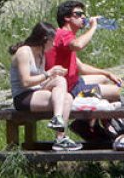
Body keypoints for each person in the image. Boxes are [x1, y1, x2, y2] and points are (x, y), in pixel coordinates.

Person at [45, 0, 124, 151]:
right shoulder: (63, 34)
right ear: (67, 18)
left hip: (74, 82)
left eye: (83, 14)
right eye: (78, 14)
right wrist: (93, 27)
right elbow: (78, 46)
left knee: (106, 80)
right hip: (68, 90)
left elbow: (80, 67)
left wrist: (107, 73)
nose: (83, 18)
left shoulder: (67, 37)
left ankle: (89, 125)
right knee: (115, 92)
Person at [8, 22, 82, 151]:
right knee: (63, 99)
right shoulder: (24, 52)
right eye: (52, 41)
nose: (53, 44)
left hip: (37, 91)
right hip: (23, 96)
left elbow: (40, 81)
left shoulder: (41, 53)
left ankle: (58, 127)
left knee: (65, 92)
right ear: (44, 40)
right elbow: (25, 82)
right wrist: (48, 74)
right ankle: (60, 136)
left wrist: (53, 75)